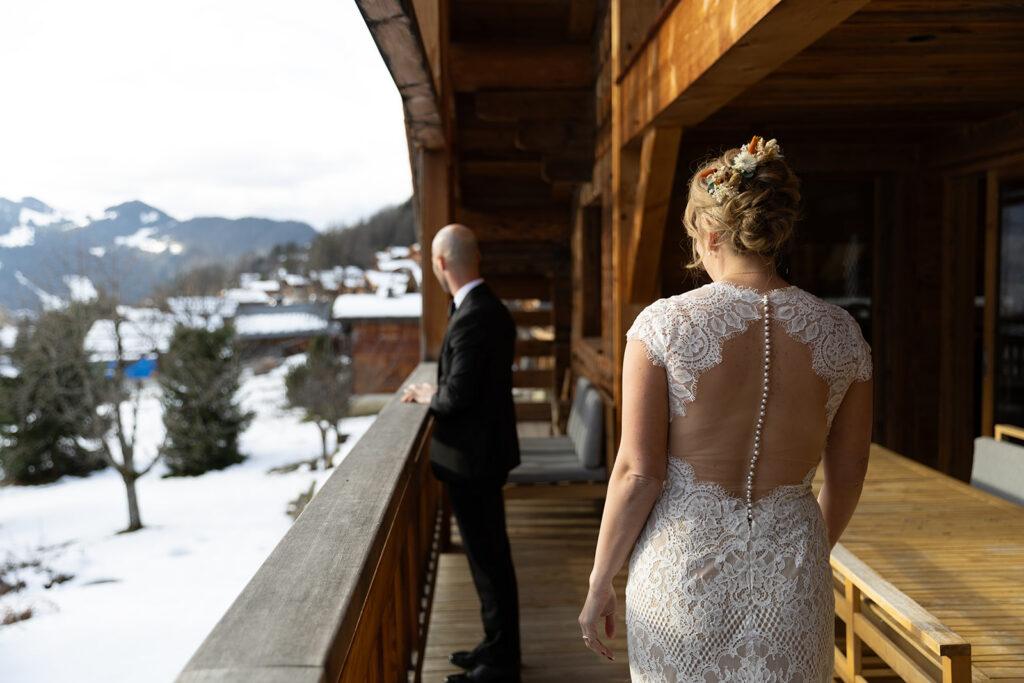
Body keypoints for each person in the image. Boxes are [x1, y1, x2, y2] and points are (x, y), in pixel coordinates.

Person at [578, 136, 873, 681]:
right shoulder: (842, 334)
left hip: (682, 578)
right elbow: (850, 472)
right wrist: (804, 553)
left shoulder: (662, 326)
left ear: (710, 234)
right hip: (793, 580)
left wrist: (601, 580)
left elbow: (639, 473)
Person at [402, 223, 522, 683]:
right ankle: (494, 646)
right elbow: (466, 385)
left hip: (475, 460)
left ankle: (501, 663)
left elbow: (458, 397)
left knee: (489, 562)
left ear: (440, 263)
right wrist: (442, 388)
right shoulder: (483, 308)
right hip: (480, 456)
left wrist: (433, 394)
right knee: (488, 560)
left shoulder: (475, 314)